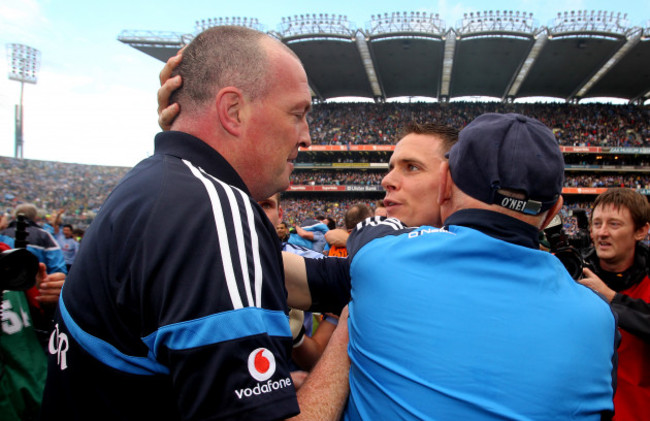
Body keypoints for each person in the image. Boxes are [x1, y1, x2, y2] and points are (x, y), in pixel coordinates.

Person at [40, 26, 349, 421]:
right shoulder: (211, 210)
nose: (307, 137)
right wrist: (347, 342)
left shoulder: (157, 185)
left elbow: (304, 278)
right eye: (298, 113)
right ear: (233, 110)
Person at [288, 113, 619, 419]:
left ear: (445, 182)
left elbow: (273, 271)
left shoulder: (382, 260)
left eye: (412, 167)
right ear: (553, 211)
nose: (389, 180)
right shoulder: (600, 318)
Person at [578, 187, 650, 420]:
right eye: (597, 224)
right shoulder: (572, 276)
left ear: (641, 231)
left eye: (614, 224)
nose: (602, 233)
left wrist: (611, 297)